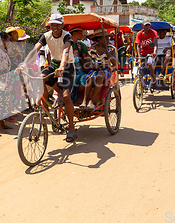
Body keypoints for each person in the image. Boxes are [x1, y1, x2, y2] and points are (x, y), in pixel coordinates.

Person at [25, 13, 76, 142]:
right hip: (53, 65)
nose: (55, 27)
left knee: (65, 96)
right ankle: (45, 107)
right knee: (41, 77)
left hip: (67, 66)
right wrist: (24, 63)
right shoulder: (46, 36)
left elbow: (65, 51)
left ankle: (71, 127)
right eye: (52, 24)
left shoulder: (67, 36)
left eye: (57, 25)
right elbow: (36, 48)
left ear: (62, 25)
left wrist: (62, 66)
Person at [81, 28, 117, 109]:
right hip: (94, 70)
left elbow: (115, 63)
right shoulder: (92, 49)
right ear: (99, 39)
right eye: (105, 38)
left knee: (100, 75)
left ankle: (93, 100)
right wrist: (93, 66)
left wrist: (106, 51)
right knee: (89, 78)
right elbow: (88, 63)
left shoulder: (111, 48)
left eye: (108, 37)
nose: (108, 39)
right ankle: (84, 100)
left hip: (106, 70)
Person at [69, 27, 90, 103]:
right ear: (74, 33)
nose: (82, 35)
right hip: (68, 68)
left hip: (79, 69)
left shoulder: (81, 45)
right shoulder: (65, 44)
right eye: (80, 33)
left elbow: (85, 59)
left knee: (81, 81)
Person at [135, 20, 158, 84]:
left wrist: (155, 52)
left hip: (151, 53)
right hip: (143, 53)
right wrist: (139, 56)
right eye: (146, 25)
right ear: (142, 26)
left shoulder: (153, 32)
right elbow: (138, 46)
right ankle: (140, 85)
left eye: (148, 25)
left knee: (149, 63)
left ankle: (153, 75)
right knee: (141, 68)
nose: (147, 27)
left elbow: (156, 44)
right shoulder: (139, 34)